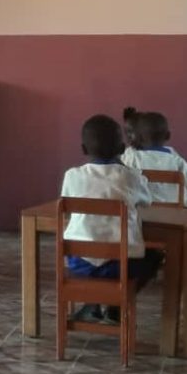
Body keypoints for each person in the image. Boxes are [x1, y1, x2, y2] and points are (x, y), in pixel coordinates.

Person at [61, 114, 161, 325]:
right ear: (122, 148)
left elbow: (67, 204)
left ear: (83, 149)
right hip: (120, 266)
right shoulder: (131, 177)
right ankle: (116, 306)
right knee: (154, 257)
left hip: (79, 262)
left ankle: (92, 306)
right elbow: (147, 201)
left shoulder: (72, 176)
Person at [120, 110, 187, 206]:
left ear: (138, 137)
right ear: (168, 136)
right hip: (175, 213)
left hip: (141, 212)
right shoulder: (177, 161)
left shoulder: (131, 158)